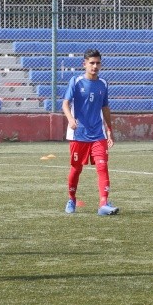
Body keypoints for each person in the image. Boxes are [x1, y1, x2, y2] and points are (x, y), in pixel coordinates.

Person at [62, 49, 120, 216]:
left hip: (98, 134)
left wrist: (109, 129)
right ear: (84, 64)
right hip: (78, 134)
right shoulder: (76, 81)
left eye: (98, 63)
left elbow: (105, 108)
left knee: (102, 166)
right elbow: (65, 104)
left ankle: (103, 203)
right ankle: (71, 199)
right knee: (76, 168)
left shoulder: (103, 83)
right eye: (92, 63)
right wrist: (71, 119)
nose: (95, 66)